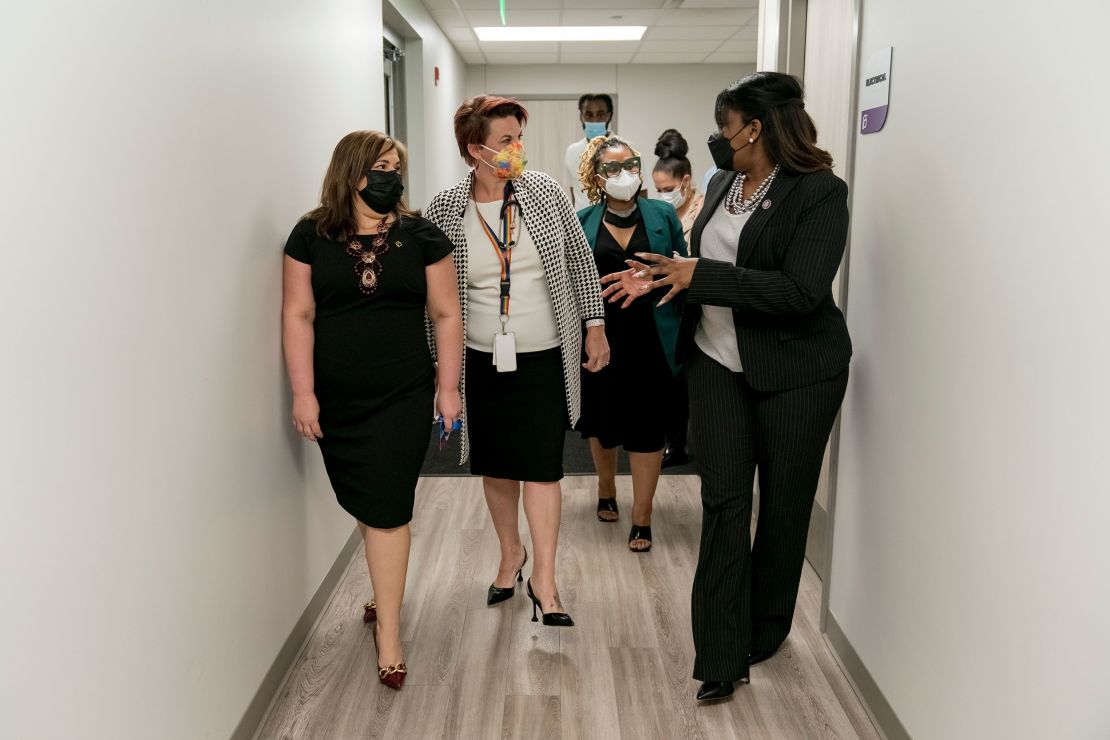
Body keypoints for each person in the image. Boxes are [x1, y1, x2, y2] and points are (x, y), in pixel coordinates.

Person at [600, 72, 853, 702]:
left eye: (725, 126)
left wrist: (699, 274)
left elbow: (801, 292)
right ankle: (719, 653)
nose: (719, 137)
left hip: (798, 372)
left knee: (785, 505)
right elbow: (697, 272)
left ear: (756, 128)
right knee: (725, 503)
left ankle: (763, 632)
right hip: (717, 364)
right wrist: (663, 278)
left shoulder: (819, 192)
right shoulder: (719, 183)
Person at [282, 131, 463, 690]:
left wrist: (448, 389)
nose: (391, 177)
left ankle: (389, 634)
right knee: (364, 499)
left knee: (387, 507)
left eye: (396, 168)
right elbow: (298, 315)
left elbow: (447, 314)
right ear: (351, 172)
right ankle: (384, 594)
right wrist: (303, 391)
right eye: (380, 167)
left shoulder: (421, 236)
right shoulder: (310, 235)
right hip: (338, 399)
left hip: (402, 394)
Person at [425, 95, 610, 626]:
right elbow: (437, 300)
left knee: (543, 467)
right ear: (474, 149)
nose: (516, 151)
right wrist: (444, 375)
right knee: (497, 464)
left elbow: (579, 262)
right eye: (506, 141)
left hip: (544, 354)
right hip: (480, 359)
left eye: (518, 139)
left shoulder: (546, 192)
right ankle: (511, 554)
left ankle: (546, 581)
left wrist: (594, 326)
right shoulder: (445, 210)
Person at [575, 134, 686, 552]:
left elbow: (682, 268)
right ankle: (606, 488)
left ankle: (643, 513)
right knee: (603, 423)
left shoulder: (662, 215)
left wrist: (651, 280)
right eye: (613, 168)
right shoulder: (582, 220)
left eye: (631, 165)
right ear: (596, 177)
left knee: (647, 428)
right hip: (600, 336)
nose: (625, 175)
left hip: (652, 336)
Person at [651, 129, 705, 468]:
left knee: (685, 380)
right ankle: (670, 441)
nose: (662, 196)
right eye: (657, 190)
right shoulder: (659, 212)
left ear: (685, 182)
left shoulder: (703, 209)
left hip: (697, 300)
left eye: (668, 190)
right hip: (668, 301)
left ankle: (681, 443)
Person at [564, 94, 614, 211]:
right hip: (582, 224)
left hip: (617, 225)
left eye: (600, 114)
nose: (595, 119)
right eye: (589, 114)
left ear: (609, 115)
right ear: (581, 116)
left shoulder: (626, 149)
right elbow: (575, 195)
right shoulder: (572, 151)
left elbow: (640, 193)